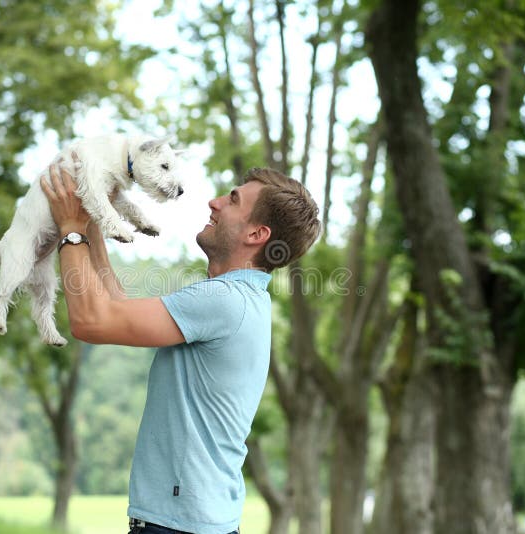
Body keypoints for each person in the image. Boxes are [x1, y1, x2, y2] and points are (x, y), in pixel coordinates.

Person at [40, 153, 320, 534]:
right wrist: (91, 218)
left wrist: (71, 228)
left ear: (256, 235)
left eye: (233, 200)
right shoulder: (242, 299)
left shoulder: (225, 301)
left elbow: (91, 321)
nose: (214, 202)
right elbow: (116, 308)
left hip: (179, 527)